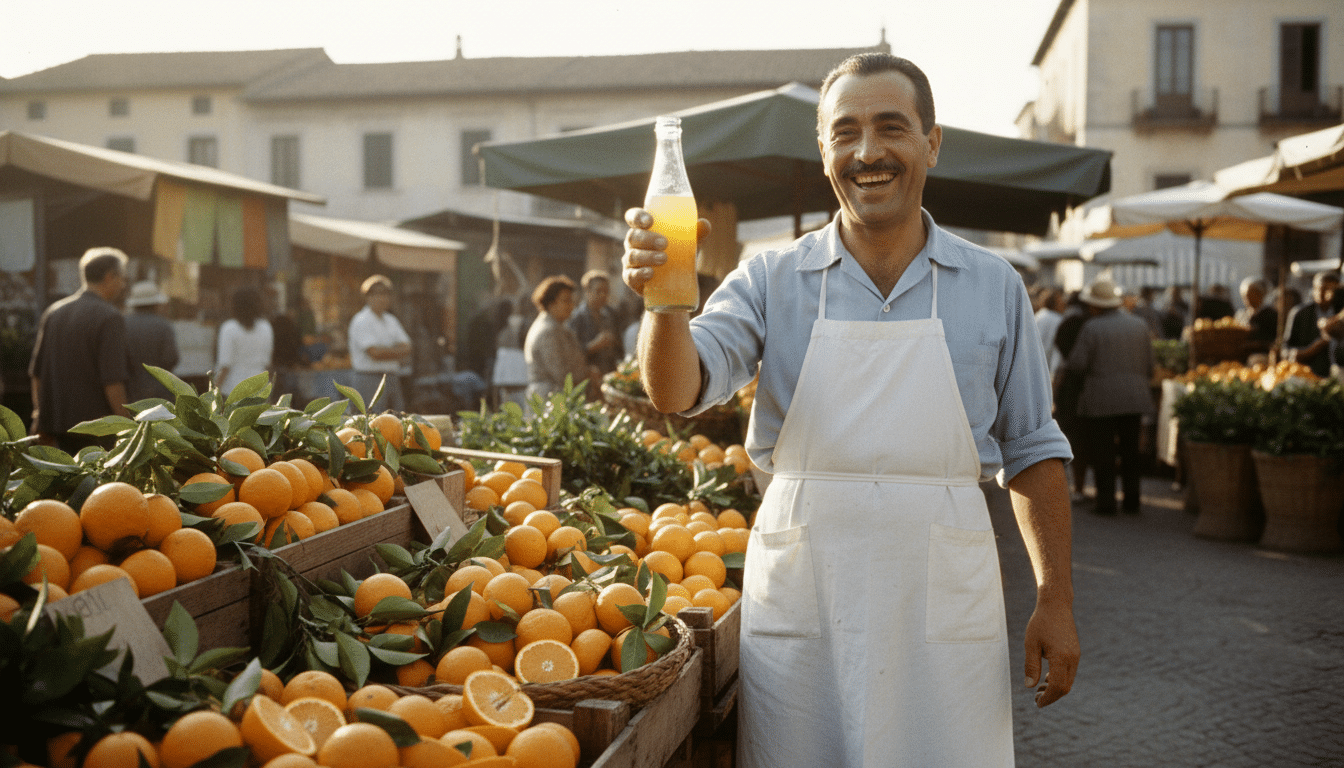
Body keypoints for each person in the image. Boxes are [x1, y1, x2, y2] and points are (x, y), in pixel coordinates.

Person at [622, 52, 1077, 767]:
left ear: (932, 142)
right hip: (807, 599)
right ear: (824, 149)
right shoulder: (771, 279)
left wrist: (1055, 597)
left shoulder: (994, 285)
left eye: (890, 127)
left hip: (942, 600)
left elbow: (1031, 449)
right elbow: (678, 390)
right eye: (845, 133)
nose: (867, 152)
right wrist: (663, 299)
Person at [1064, 277, 1155, 516]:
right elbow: (1150, 365)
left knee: (1103, 452)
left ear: (1095, 306)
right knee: (1130, 451)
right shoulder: (1140, 325)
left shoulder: (1092, 328)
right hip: (1135, 397)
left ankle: (1106, 502)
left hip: (1101, 399)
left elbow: (1077, 364)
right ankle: (1132, 500)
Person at [29, 247, 132, 454]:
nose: (123, 285)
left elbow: (37, 374)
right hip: (96, 430)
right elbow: (112, 380)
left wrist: (39, 416)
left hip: (55, 427)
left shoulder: (54, 312)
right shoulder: (109, 317)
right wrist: (128, 429)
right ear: (110, 277)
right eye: (121, 278)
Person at [523, 275, 592, 407]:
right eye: (566, 301)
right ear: (551, 303)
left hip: (556, 397)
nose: (571, 305)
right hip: (549, 399)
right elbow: (561, 375)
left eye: (572, 301)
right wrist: (587, 375)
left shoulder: (558, 327)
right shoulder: (548, 331)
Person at [348, 274, 412, 411]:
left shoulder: (391, 320)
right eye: (377, 294)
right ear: (367, 297)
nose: (382, 298)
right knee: (371, 423)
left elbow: (407, 347)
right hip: (368, 380)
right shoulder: (361, 320)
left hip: (392, 378)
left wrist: (385, 351)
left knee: (397, 421)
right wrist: (395, 351)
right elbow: (375, 353)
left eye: (386, 294)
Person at [123, 280, 179, 402]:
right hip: (160, 392)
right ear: (155, 303)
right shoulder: (163, 325)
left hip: (130, 393)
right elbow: (172, 358)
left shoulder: (123, 324)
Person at [1280, 271, 1341, 379]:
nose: (1327, 294)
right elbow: (1285, 350)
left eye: (1331, 290)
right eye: (1322, 289)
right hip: (1307, 374)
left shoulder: (1339, 312)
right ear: (1314, 289)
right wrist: (1312, 349)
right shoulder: (1300, 313)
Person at [215, 286, 273, 396]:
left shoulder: (229, 328)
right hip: (259, 389)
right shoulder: (266, 327)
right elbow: (267, 364)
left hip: (233, 390)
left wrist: (214, 392)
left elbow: (225, 365)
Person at [567, 270, 624, 376]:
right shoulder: (576, 317)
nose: (603, 295)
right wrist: (593, 345)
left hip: (609, 374)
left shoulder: (611, 314)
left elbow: (619, 348)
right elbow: (570, 354)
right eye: (598, 291)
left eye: (606, 291)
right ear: (587, 291)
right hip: (587, 377)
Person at [1236, 277, 1277, 358]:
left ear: (1260, 294)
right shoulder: (1241, 314)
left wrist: (1254, 344)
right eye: (1245, 296)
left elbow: (1273, 340)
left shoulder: (1270, 314)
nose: (1247, 299)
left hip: (1261, 355)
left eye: (1250, 295)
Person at [1034, 287, 1066, 376]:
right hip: (1048, 366)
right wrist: (1054, 372)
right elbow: (1056, 348)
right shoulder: (1057, 319)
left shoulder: (1039, 315)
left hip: (1034, 364)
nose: (1063, 304)